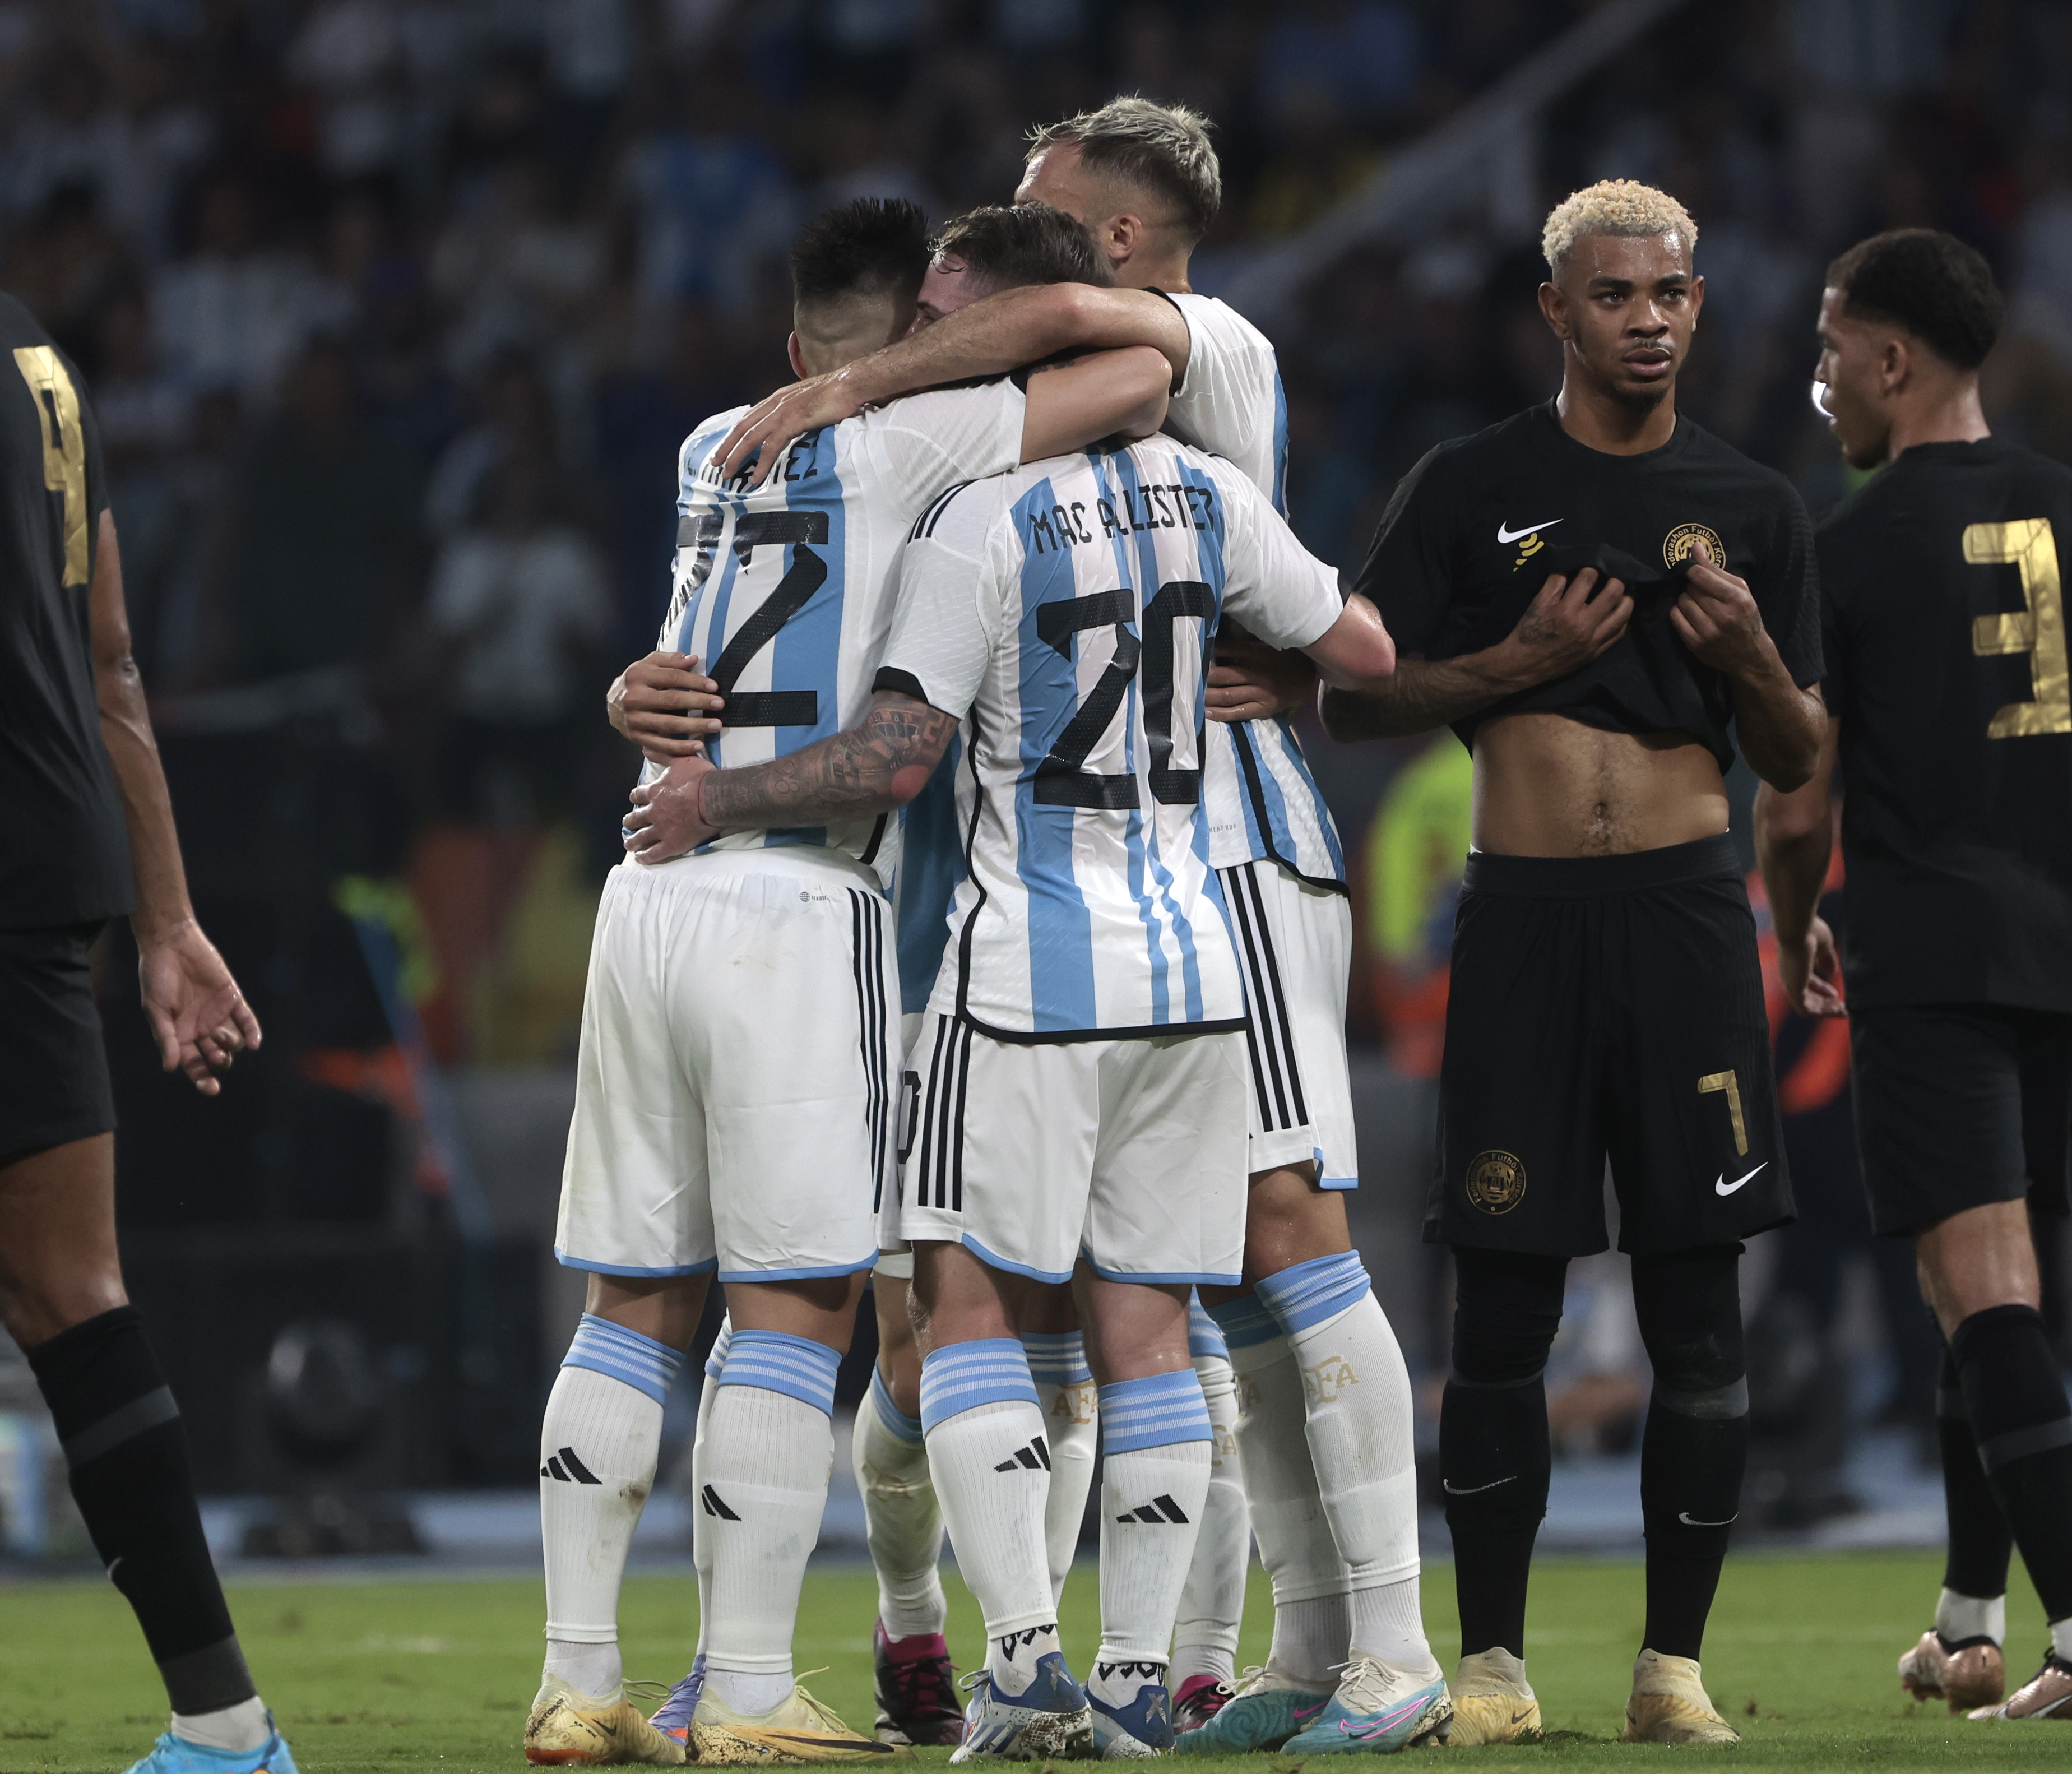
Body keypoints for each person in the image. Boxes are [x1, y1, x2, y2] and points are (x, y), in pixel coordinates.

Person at [704, 96, 1448, 1756]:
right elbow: (1353, 631)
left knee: (1274, 1238)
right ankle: (1258, 1651)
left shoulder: (1190, 348)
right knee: (1176, 1286)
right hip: (1150, 873)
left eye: (1034, 217)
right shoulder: (1088, 468)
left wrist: (842, 381)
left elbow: (1051, 334)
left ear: (1115, 245)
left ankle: (1380, 1642)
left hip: (1218, 856)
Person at [622, 428, 1397, 1762]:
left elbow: (895, 749)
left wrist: (711, 789)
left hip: (1004, 957)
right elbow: (1367, 647)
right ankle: (981, 1633)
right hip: (1146, 955)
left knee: (1011, 1322)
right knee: (1045, 1337)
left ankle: (1066, 1667)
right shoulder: (1171, 488)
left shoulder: (968, 502)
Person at [529, 198, 1174, 1767]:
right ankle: (745, 1689)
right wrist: (895, 381)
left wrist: (631, 679)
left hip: (650, 881)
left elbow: (691, 648)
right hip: (798, 896)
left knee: (630, 1294)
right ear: (909, 347)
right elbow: (1144, 354)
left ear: (793, 338)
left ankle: (574, 1681)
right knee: (792, 1302)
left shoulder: (706, 445)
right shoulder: (930, 434)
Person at [1320, 178, 1826, 1747]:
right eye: (1615, 296)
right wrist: (1520, 665)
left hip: (1687, 917)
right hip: (1526, 920)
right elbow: (1353, 694)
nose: (1649, 321)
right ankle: (1490, 1661)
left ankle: (1672, 1666)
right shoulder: (1471, 486)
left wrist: (1745, 657)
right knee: (1502, 1304)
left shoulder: (1754, 503)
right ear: (1554, 310)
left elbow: (1801, 745)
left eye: (1671, 294)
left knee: (1695, 1302)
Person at [1759, 226, 2072, 1721]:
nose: (1816, 378)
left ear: (1890, 358)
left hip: (1927, 945)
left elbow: (1798, 797)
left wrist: (1799, 904)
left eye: (1824, 348)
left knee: (1976, 1281)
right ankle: (1968, 1618)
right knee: (1967, 1279)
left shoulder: (1843, 542)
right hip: (2061, 950)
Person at [0, 295, 286, 1774]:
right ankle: (227, 1726)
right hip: (50, 870)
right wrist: (165, 918)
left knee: (70, 1292)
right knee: (71, 1293)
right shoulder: (43, 369)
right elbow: (110, 656)